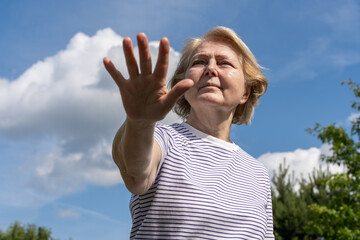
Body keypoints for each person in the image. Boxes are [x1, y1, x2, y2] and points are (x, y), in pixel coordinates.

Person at [103, 26, 274, 239]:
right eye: (199, 62)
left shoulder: (258, 173)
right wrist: (139, 122)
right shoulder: (162, 139)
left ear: (246, 92)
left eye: (224, 63)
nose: (210, 69)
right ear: (183, 85)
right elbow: (135, 173)